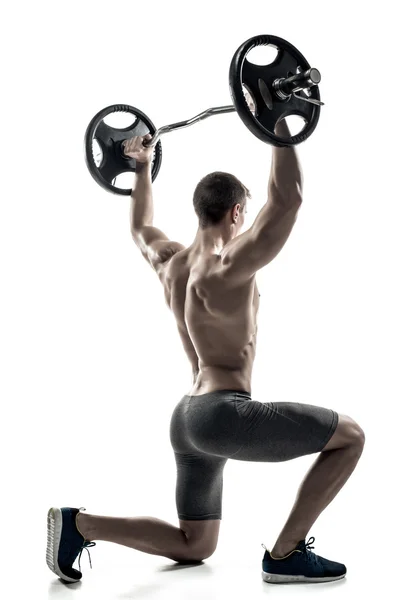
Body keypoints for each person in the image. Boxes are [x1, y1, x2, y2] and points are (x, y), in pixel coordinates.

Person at [46, 119, 365, 585]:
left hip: (187, 420)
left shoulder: (169, 262)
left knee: (196, 545)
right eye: (244, 215)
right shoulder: (230, 267)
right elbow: (288, 200)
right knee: (351, 436)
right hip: (222, 416)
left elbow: (141, 226)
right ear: (236, 213)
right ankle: (285, 553)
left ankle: (78, 523)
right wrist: (278, 128)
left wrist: (140, 168)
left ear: (199, 213)